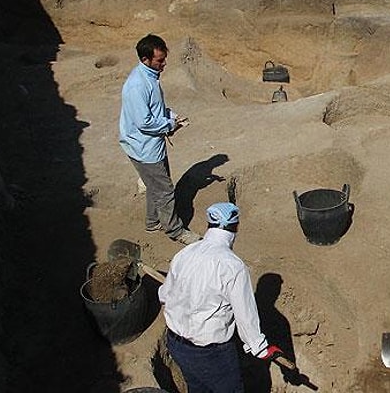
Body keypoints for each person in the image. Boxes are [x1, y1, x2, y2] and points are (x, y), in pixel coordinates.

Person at [159, 202, 287, 392]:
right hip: (210, 354)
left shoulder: (184, 253)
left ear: (208, 224)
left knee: (198, 388)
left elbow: (164, 295)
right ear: (236, 227)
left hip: (176, 345)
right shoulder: (232, 266)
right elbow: (245, 317)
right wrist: (260, 348)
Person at [119, 34, 201, 245]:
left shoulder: (149, 77)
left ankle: (153, 221)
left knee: (153, 185)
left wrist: (171, 115)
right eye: (159, 60)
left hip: (151, 145)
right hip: (144, 149)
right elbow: (144, 122)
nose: (164, 64)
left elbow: (154, 110)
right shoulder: (138, 85)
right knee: (164, 189)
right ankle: (176, 231)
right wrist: (170, 125)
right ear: (146, 59)